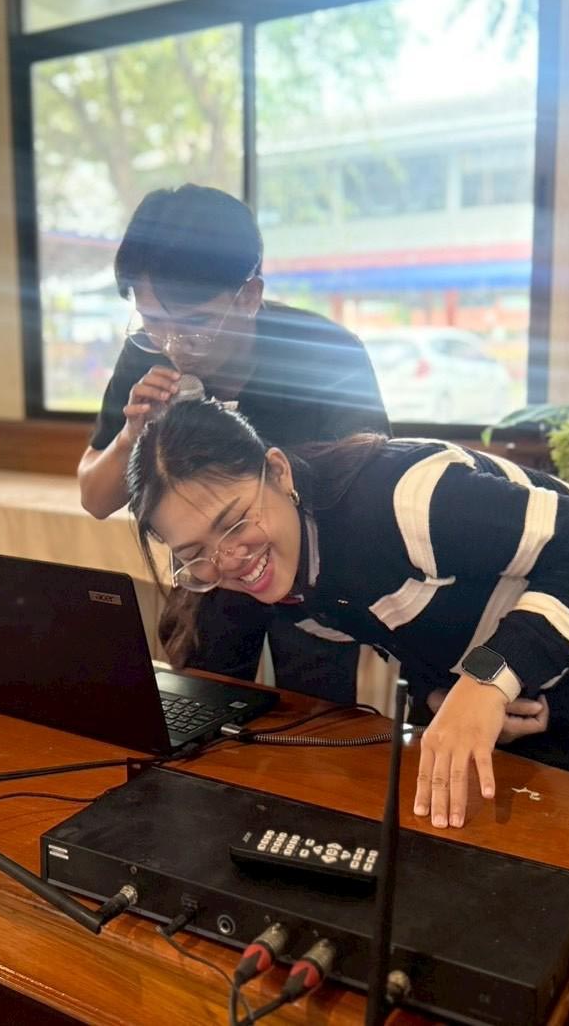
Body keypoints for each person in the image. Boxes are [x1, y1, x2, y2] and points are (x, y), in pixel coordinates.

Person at [127, 398, 569, 828]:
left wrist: (486, 683)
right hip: (507, 673)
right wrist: (442, 691)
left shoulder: (406, 500)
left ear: (278, 471)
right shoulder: (279, 566)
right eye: (196, 553)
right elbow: (402, 620)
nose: (229, 560)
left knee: (560, 849)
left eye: (233, 523)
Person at [77, 184, 390, 702]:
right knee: (198, 701)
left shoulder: (324, 353)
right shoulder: (146, 356)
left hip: (315, 575)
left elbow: (371, 482)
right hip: (210, 570)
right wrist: (133, 434)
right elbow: (95, 497)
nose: (174, 344)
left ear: (249, 295)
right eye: (153, 322)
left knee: (314, 715)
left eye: (196, 323)